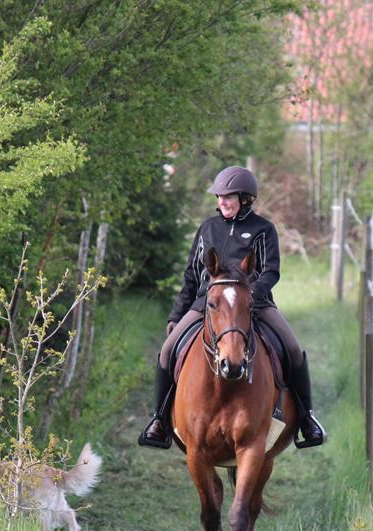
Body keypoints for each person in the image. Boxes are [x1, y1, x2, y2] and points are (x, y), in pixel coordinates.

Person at [138, 165, 326, 450]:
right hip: (208, 304)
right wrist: (177, 314)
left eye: (228, 196)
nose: (222, 201)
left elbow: (271, 272)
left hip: (255, 304)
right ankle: (159, 420)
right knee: (166, 351)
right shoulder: (208, 229)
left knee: (294, 350)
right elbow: (191, 275)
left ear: (245, 198)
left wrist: (248, 295)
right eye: (219, 196)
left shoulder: (263, 229)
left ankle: (306, 419)